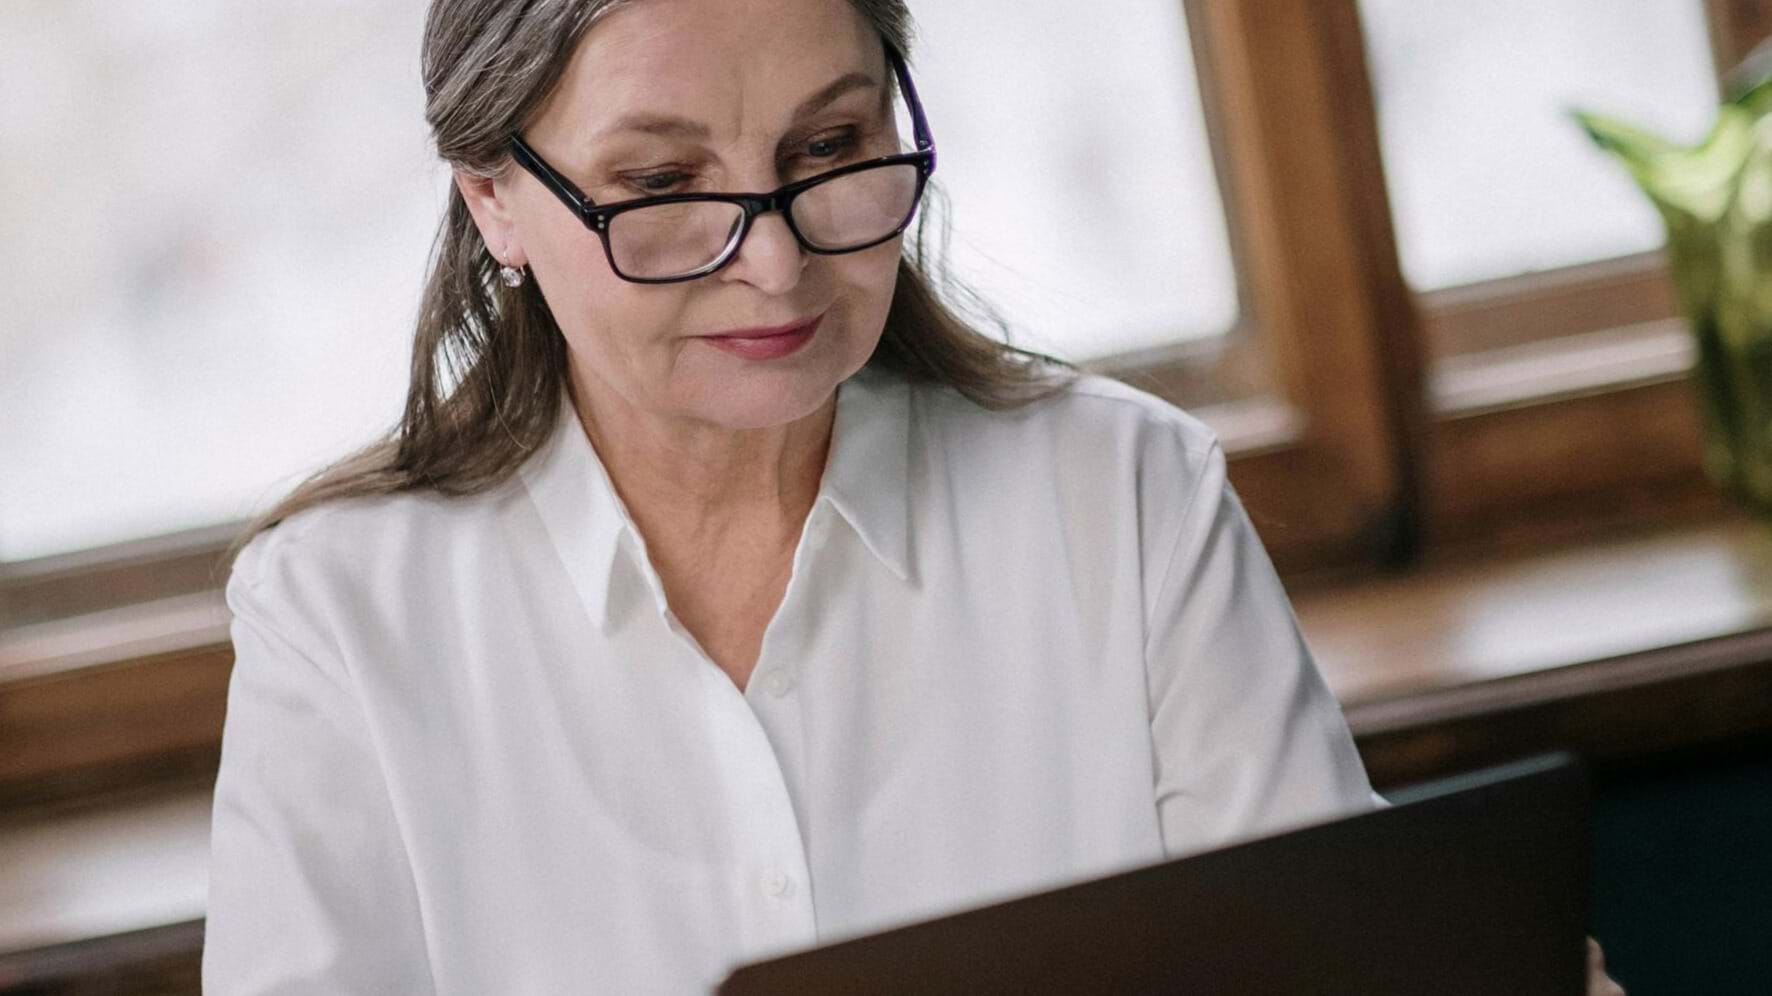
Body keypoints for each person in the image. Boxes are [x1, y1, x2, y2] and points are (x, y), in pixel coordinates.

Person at [201, 0, 1623, 993]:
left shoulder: (1121, 493)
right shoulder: (340, 614)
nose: (774, 266)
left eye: (827, 151)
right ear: (494, 201)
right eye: (660, 183)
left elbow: (1330, 958)